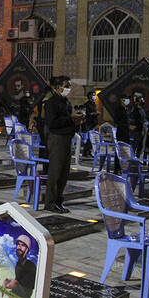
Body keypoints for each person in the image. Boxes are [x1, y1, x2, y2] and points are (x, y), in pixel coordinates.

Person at [44, 75, 84, 213]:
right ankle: (50, 202)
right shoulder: (51, 103)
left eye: (69, 86)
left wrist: (75, 121)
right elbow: (52, 123)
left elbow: (66, 120)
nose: (68, 89)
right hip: (57, 138)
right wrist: (70, 118)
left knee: (64, 172)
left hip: (67, 137)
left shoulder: (66, 102)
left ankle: (59, 200)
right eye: (66, 86)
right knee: (55, 171)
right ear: (57, 87)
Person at [113, 93, 133, 174]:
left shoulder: (127, 109)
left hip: (127, 133)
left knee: (125, 151)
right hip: (121, 132)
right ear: (121, 99)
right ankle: (117, 168)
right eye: (126, 98)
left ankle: (124, 168)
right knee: (119, 151)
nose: (128, 100)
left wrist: (130, 126)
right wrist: (127, 127)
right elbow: (117, 122)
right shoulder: (118, 109)